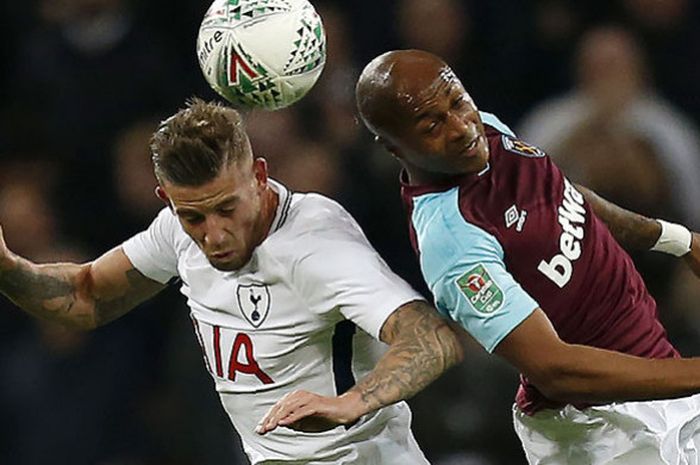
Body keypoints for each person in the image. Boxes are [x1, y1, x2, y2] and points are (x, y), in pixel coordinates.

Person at [0, 99, 464, 464]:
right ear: (168, 200)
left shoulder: (315, 243)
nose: (214, 235)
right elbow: (86, 297)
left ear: (259, 176)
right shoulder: (176, 233)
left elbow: (430, 339)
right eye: (193, 216)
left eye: (227, 208)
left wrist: (351, 402)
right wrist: (7, 268)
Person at [351, 49, 700, 464]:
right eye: (432, 125)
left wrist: (677, 240)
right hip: (596, 432)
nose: (462, 127)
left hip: (657, 376)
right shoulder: (453, 240)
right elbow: (556, 370)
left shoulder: (488, 134)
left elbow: (563, 195)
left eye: (459, 102)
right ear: (393, 147)